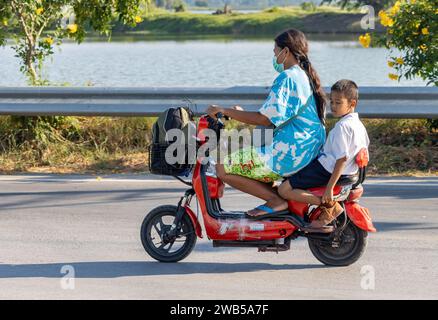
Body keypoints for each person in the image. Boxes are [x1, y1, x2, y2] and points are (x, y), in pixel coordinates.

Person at [206, 28, 326, 216]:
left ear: (285, 52)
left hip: (290, 152)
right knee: (250, 153)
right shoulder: (303, 76)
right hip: (304, 148)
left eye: (275, 51)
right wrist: (239, 116)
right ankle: (278, 201)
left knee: (222, 167)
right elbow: (274, 117)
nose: (274, 56)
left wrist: (223, 110)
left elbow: (264, 118)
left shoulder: (287, 77)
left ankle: (275, 201)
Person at [277, 79, 370, 231]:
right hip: (346, 171)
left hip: (327, 170)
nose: (333, 106)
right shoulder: (359, 125)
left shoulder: (342, 127)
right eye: (332, 102)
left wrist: (329, 189)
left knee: (283, 189)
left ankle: (329, 206)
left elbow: (342, 159)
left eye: (338, 103)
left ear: (352, 103)